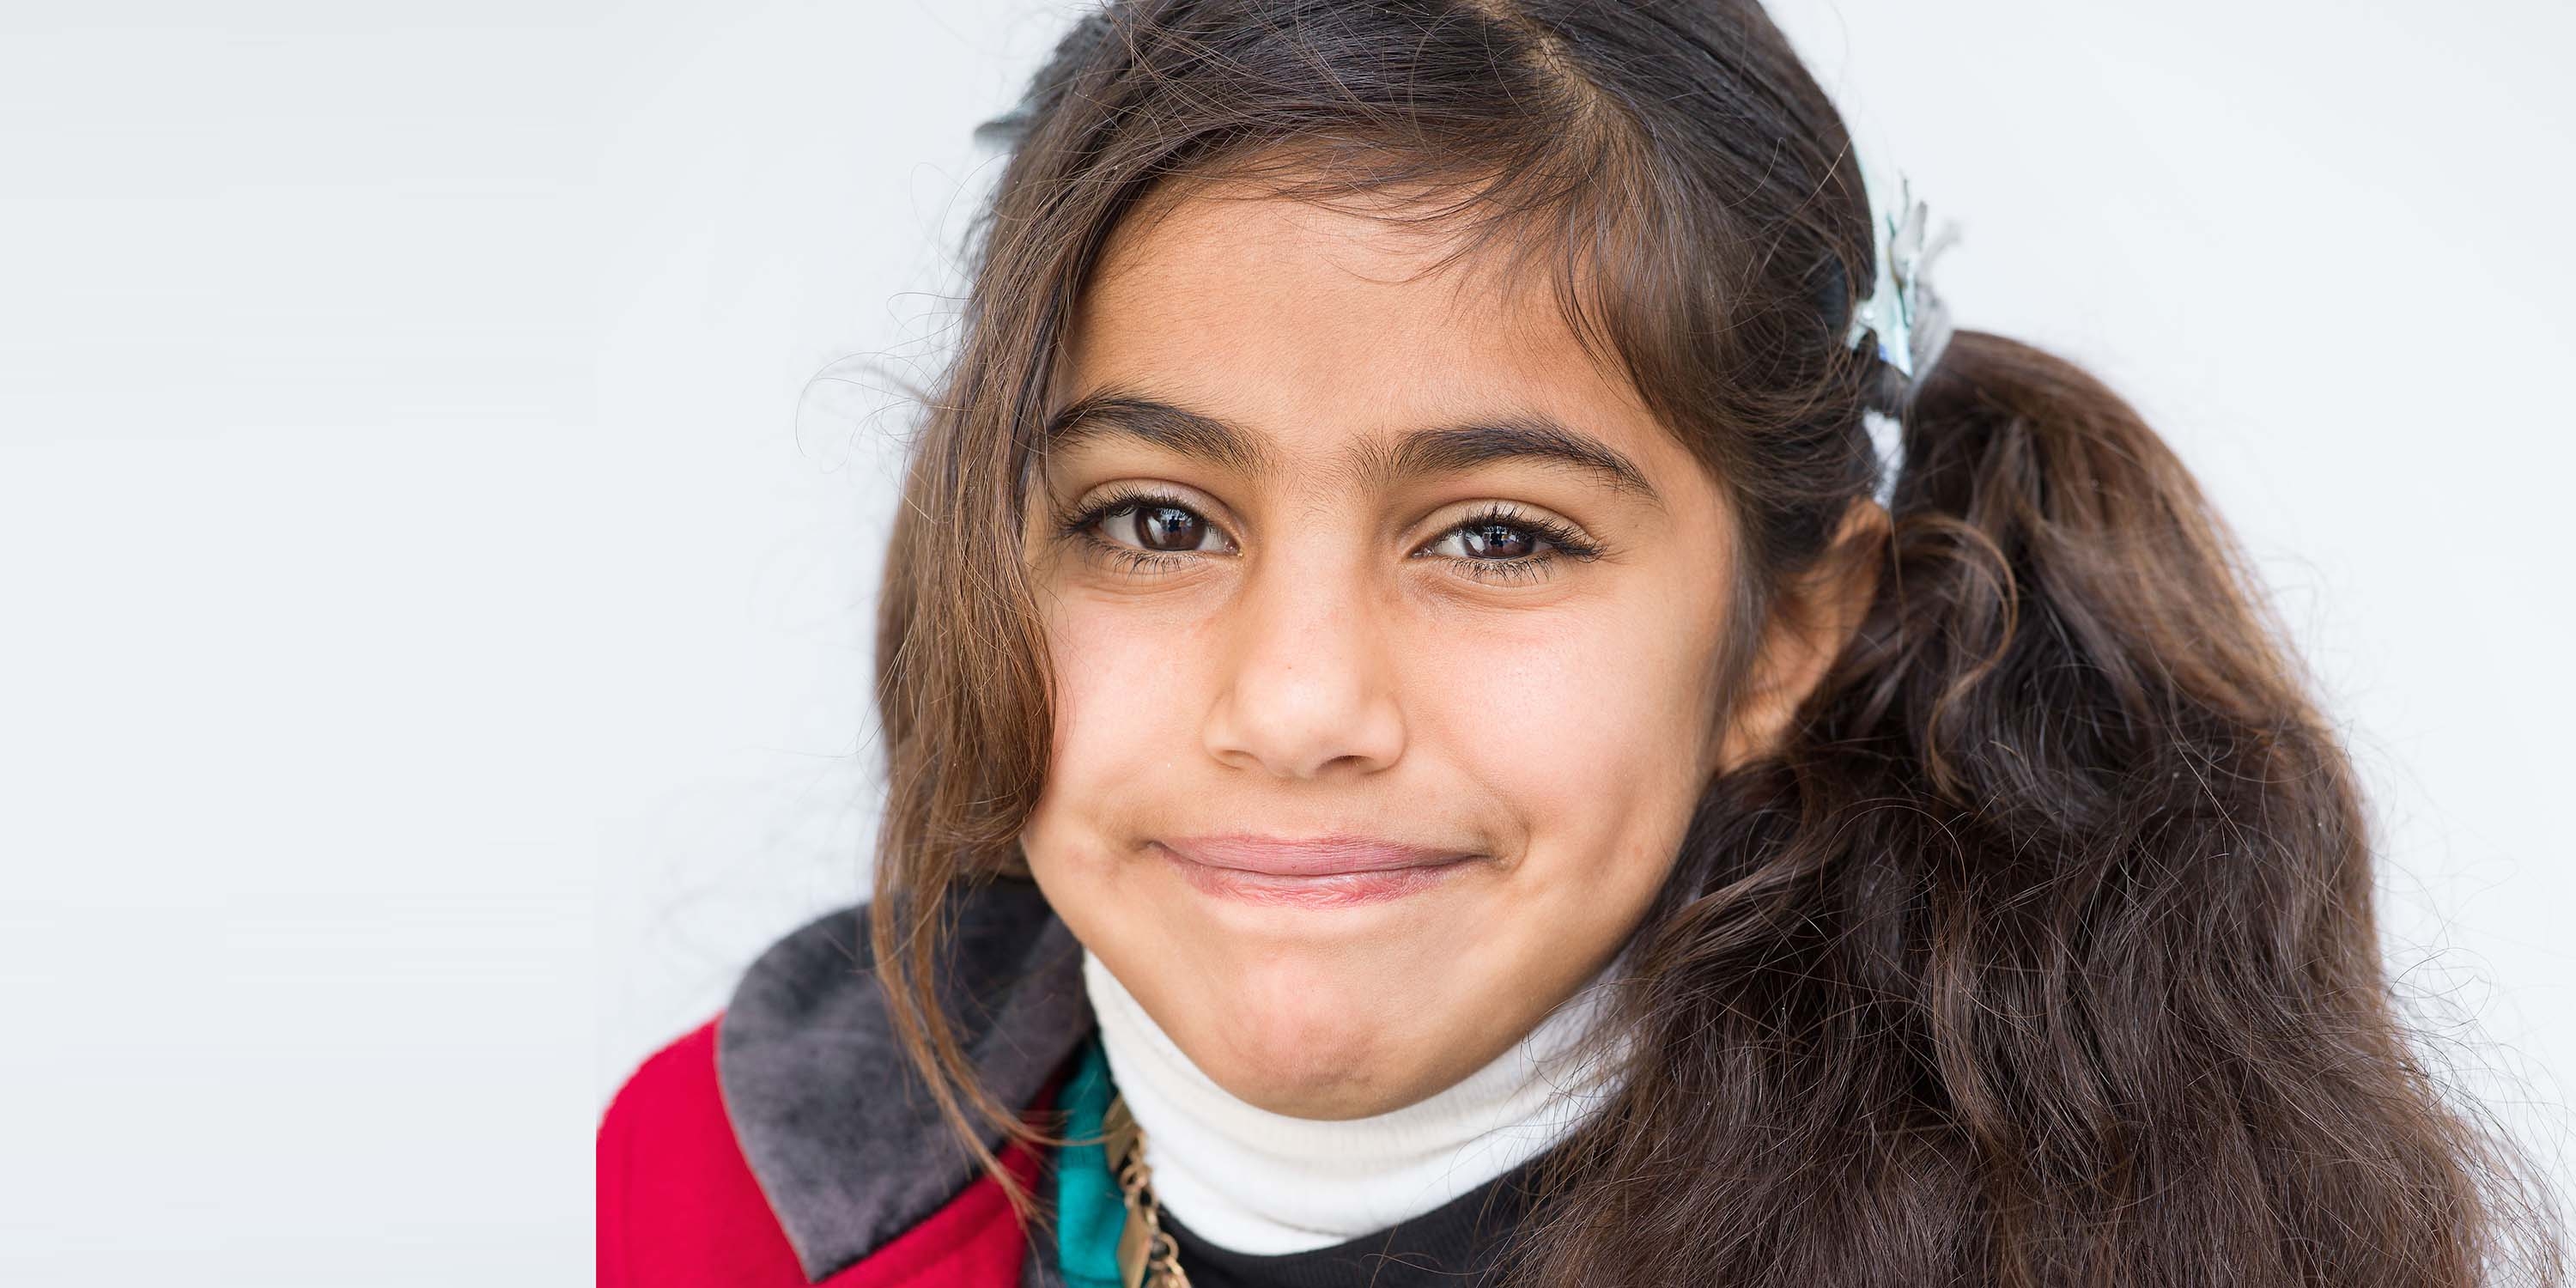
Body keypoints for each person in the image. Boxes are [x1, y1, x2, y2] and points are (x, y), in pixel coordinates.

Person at [598, 2, 2564, 1285]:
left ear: (1787, 632)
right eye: (1157, 522)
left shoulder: (2121, 1241)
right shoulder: (719, 1190)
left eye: (1499, 537)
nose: (1296, 706)